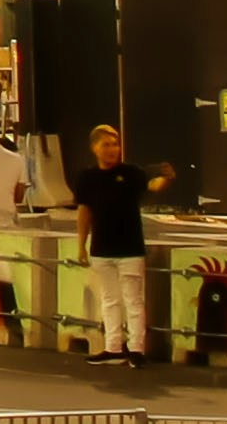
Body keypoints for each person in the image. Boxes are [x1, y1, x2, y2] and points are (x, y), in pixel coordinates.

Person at [68, 122, 157, 362]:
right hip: (101, 248)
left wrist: (164, 179)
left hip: (130, 248)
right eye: (106, 145)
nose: (112, 149)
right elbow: (84, 212)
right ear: (95, 148)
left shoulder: (131, 173)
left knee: (133, 299)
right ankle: (113, 347)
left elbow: (152, 186)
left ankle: (137, 348)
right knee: (109, 299)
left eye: (115, 144)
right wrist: (81, 245)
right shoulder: (87, 177)